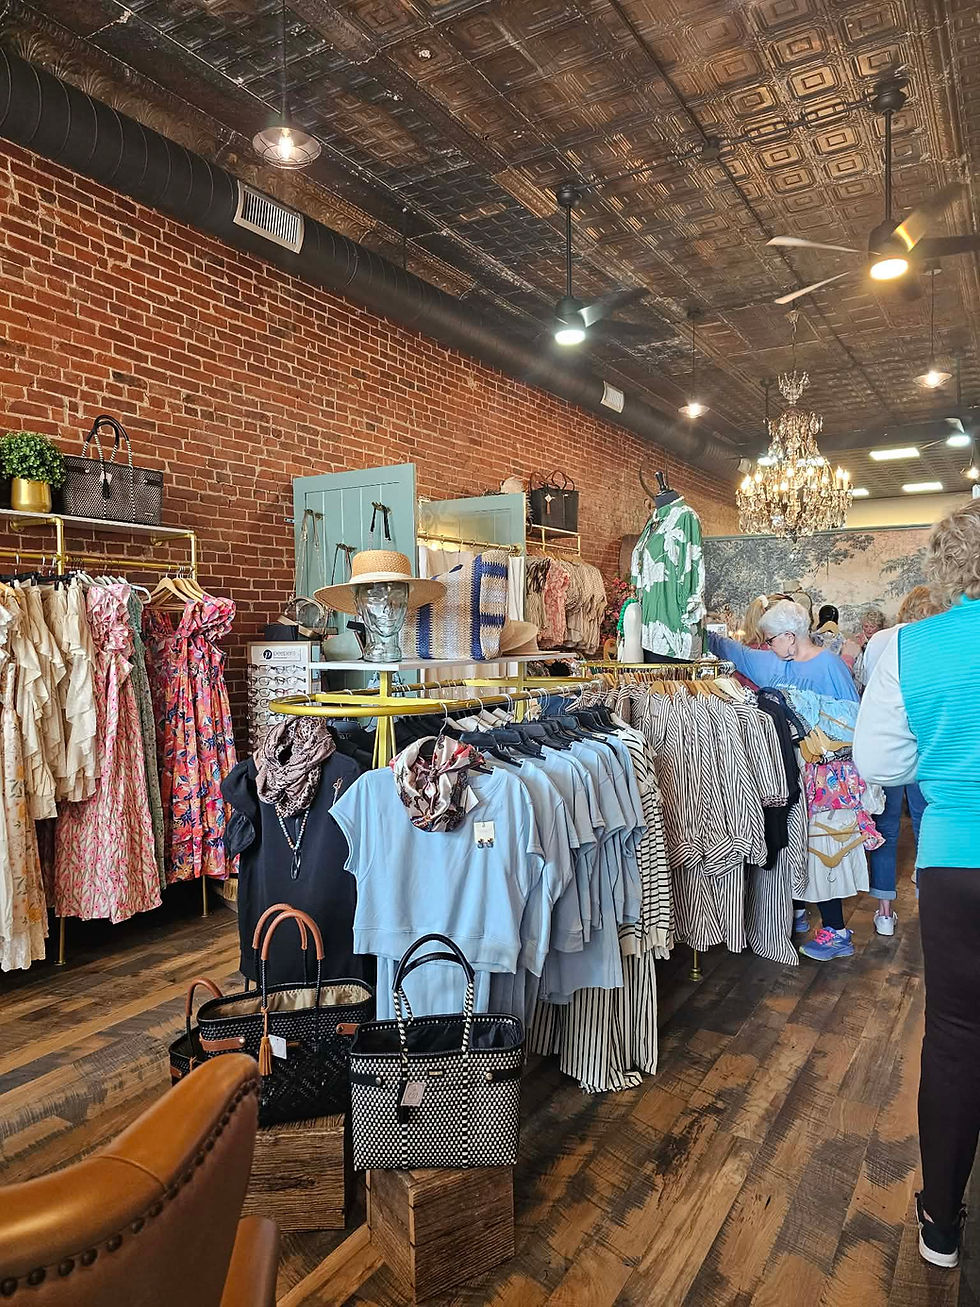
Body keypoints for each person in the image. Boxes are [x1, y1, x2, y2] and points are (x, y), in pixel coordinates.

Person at [853, 501, 980, 1270]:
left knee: (957, 1036)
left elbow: (880, 767)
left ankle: (940, 1221)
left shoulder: (905, 647)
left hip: (953, 860)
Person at [709, 599, 861, 956]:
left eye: (773, 638)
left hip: (823, 777)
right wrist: (699, 628)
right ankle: (794, 912)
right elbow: (736, 651)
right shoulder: (774, 659)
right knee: (791, 843)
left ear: (791, 637)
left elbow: (854, 720)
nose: (768, 645)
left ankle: (836, 931)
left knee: (822, 849)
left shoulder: (829, 666)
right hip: (784, 773)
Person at [861, 586, 948, 936]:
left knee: (886, 827)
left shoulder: (880, 640)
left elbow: (869, 688)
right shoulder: (933, 640)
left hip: (887, 743)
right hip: (927, 742)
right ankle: (927, 899)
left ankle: (884, 912)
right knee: (928, 819)